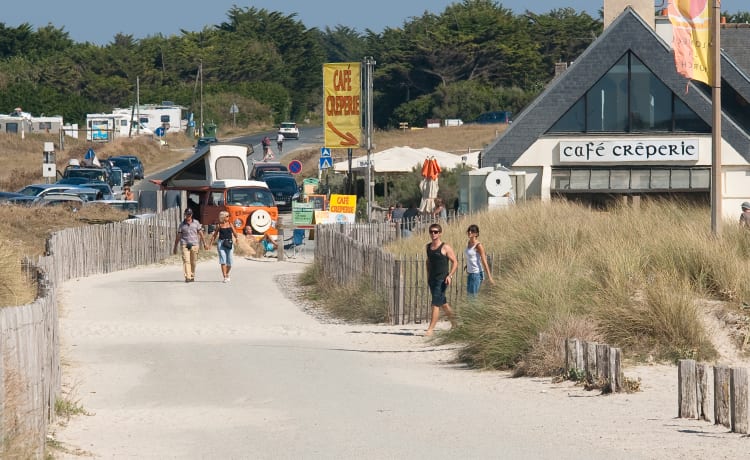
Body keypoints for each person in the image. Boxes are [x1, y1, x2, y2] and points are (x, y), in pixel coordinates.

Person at [424, 223, 458, 337]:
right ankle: (455, 323)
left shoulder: (445, 247)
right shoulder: (428, 247)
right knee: (443, 303)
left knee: (435, 303)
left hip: (442, 280)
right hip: (432, 279)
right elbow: (428, 262)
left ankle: (430, 329)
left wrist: (450, 276)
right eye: (431, 231)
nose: (433, 234)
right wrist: (428, 276)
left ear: (440, 233)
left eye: (435, 232)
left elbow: (455, 262)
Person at [172, 208, 207, 283]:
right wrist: (175, 246)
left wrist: (204, 244)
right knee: (186, 260)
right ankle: (187, 277)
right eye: (187, 214)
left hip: (194, 244)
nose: (188, 216)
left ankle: (192, 275)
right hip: (185, 244)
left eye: (189, 214)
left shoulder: (196, 223)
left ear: (191, 214)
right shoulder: (182, 224)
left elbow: (201, 233)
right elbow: (178, 236)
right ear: (185, 215)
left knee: (193, 261)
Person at [465, 224, 495, 296]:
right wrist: (467, 265)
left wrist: (490, 277)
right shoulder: (469, 243)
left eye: (472, 231)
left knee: (472, 297)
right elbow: (472, 257)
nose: (469, 232)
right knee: (470, 296)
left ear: (476, 234)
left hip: (476, 273)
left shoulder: (478, 245)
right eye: (469, 230)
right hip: (470, 273)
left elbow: (484, 261)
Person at [208, 211, 238, 282]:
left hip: (229, 243)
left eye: (228, 216)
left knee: (230, 262)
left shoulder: (230, 224)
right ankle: (224, 276)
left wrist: (237, 238)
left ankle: (227, 273)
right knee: (223, 261)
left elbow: (235, 234)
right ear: (223, 217)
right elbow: (214, 235)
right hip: (221, 243)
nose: (228, 217)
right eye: (227, 216)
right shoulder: (219, 225)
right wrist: (210, 244)